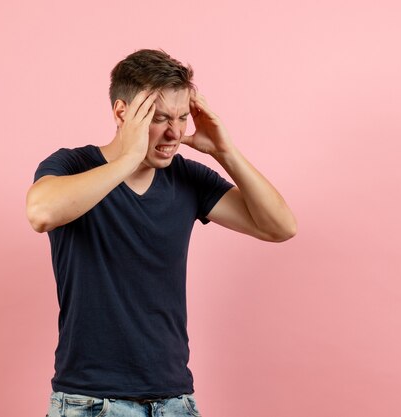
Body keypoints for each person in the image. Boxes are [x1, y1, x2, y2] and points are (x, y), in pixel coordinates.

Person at [26, 49, 297, 417]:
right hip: (91, 402)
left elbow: (280, 227)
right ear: (122, 113)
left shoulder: (186, 178)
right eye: (159, 118)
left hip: (174, 401)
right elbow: (41, 212)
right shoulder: (73, 164)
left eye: (182, 117)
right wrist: (128, 158)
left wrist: (224, 151)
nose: (174, 132)